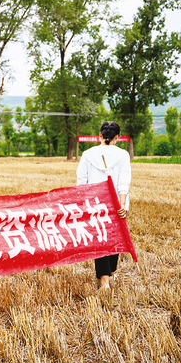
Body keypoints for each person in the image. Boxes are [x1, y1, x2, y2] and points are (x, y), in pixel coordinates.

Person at [76, 121, 131, 290]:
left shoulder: (87, 154)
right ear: (117, 137)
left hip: (94, 202)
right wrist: (122, 204)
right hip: (115, 202)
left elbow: (81, 182)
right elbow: (124, 181)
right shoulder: (123, 155)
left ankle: (106, 276)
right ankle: (106, 277)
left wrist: (83, 204)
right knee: (114, 238)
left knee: (100, 239)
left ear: (99, 135)